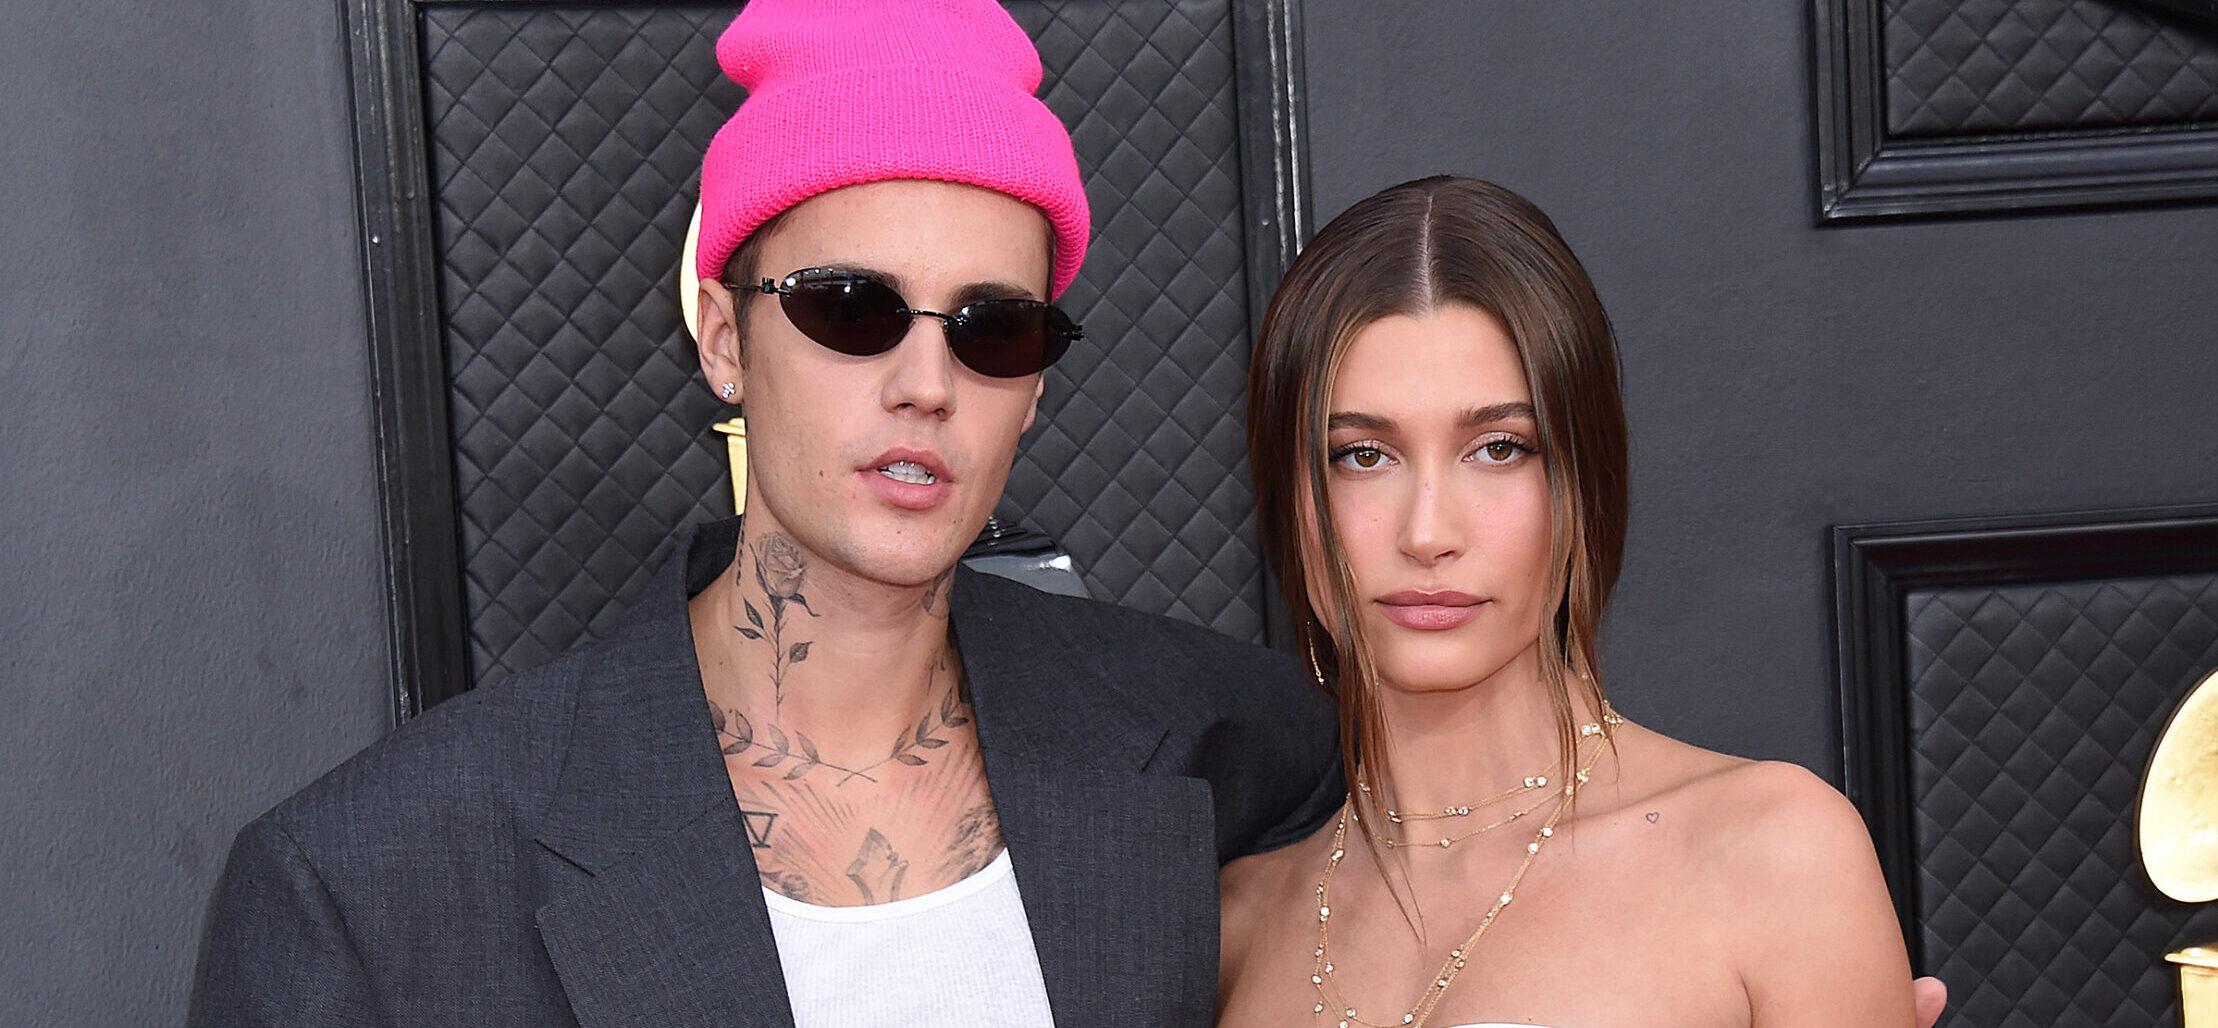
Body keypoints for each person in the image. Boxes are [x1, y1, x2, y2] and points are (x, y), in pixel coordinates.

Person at [186, 2, 1340, 1025]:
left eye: (993, 329)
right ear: (726, 339)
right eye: (850, 308)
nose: (925, 385)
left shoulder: (1234, 748)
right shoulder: (371, 887)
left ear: (1034, 387)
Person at [1217, 175, 1935, 1027]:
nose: (1428, 532)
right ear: (1284, 494)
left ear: (1585, 485)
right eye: (1361, 456)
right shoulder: (1236, 925)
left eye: (1498, 449)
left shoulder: (1771, 854)